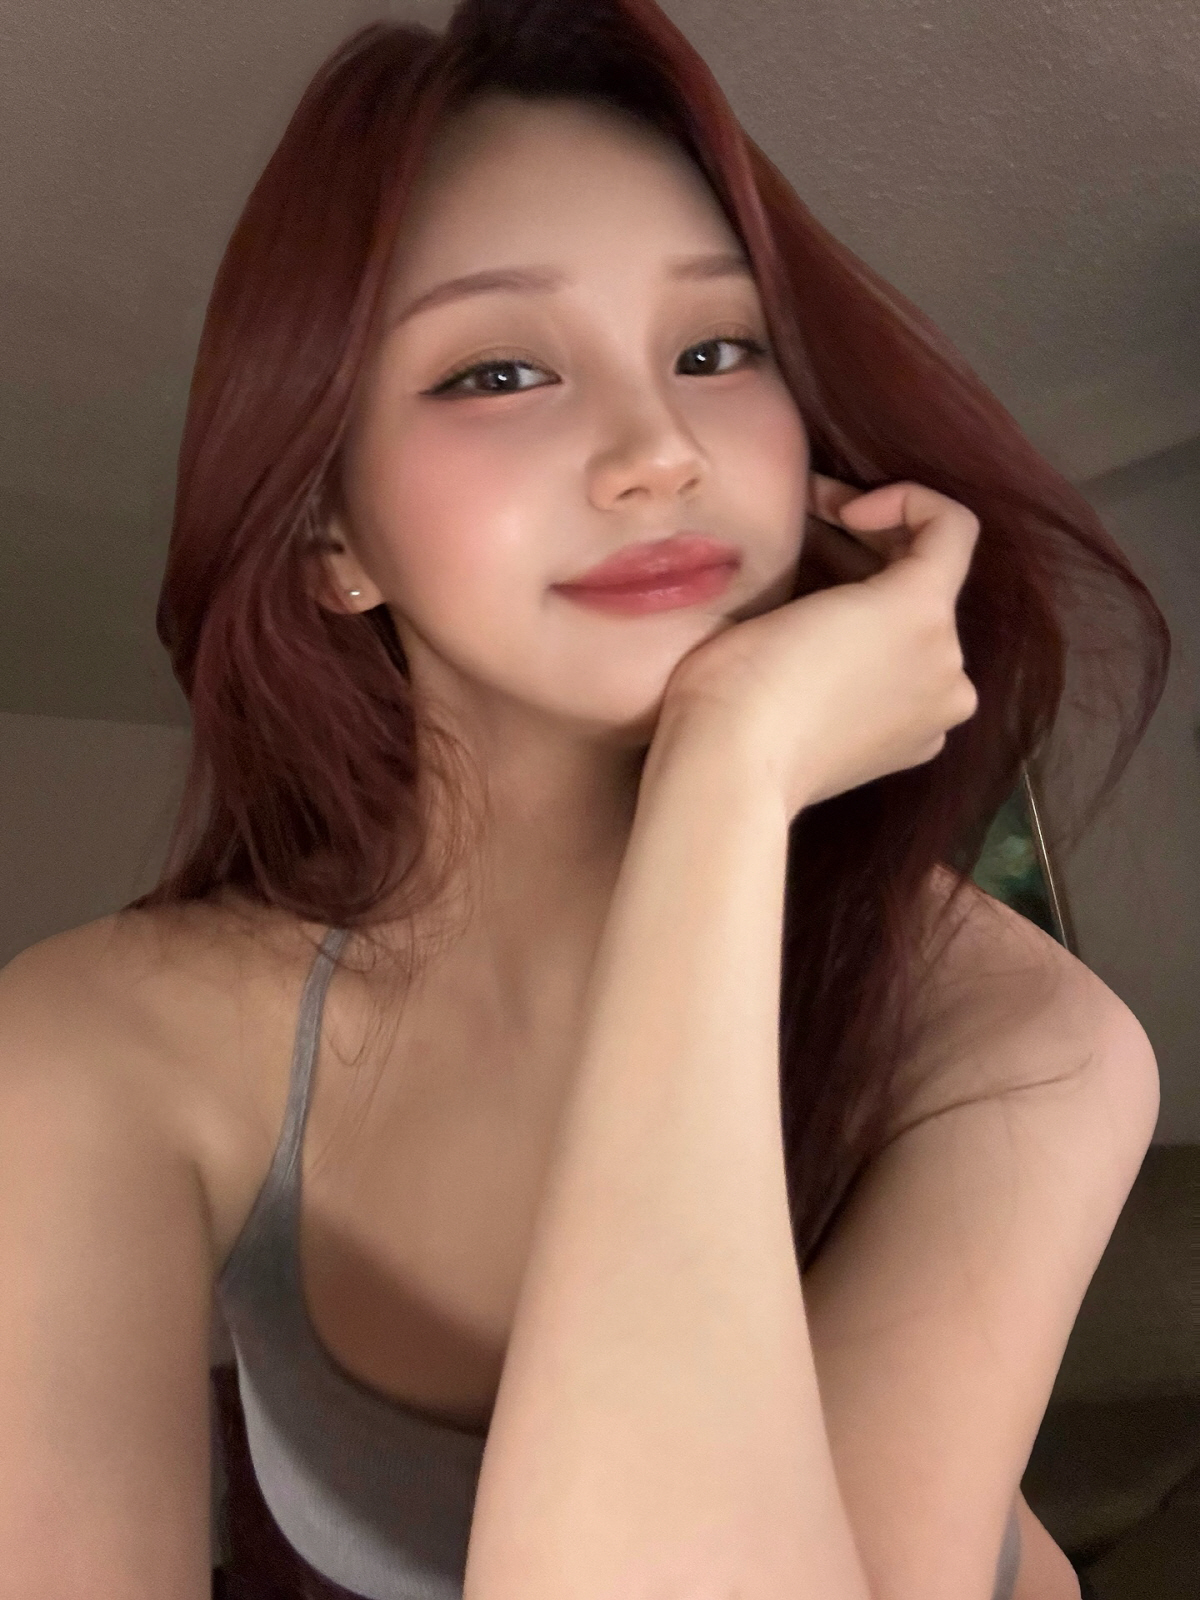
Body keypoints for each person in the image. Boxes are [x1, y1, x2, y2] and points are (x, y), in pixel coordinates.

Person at [0, 3, 1165, 1598]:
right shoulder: (99, 1047)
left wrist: (729, 779)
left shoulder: (1023, 1039)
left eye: (717, 351)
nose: (657, 450)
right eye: (497, 370)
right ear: (333, 541)